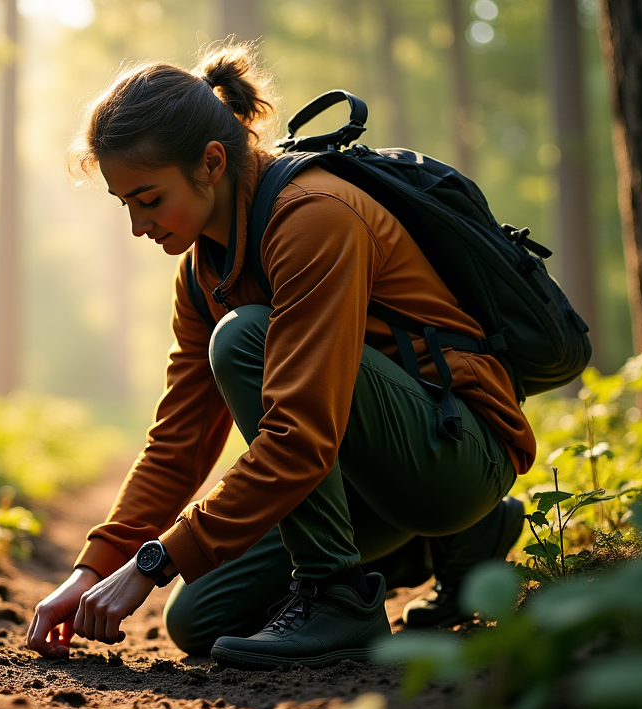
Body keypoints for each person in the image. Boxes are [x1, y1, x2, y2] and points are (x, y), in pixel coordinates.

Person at [26, 43, 532, 670]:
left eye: (149, 199)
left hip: (454, 451)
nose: (136, 224)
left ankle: (340, 593)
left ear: (211, 162)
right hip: (368, 475)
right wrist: (93, 570)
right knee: (200, 619)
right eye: (124, 202)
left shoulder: (312, 219)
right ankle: (449, 544)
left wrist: (154, 561)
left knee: (243, 337)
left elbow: (300, 437)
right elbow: (179, 442)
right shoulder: (201, 268)